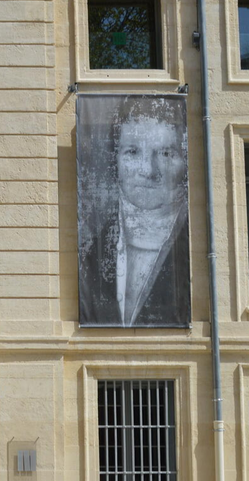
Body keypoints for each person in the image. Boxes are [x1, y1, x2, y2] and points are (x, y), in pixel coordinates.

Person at [79, 97, 190, 327]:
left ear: (185, 161)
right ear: (115, 159)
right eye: (132, 152)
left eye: (166, 153)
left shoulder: (192, 247)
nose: (148, 171)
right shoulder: (92, 254)